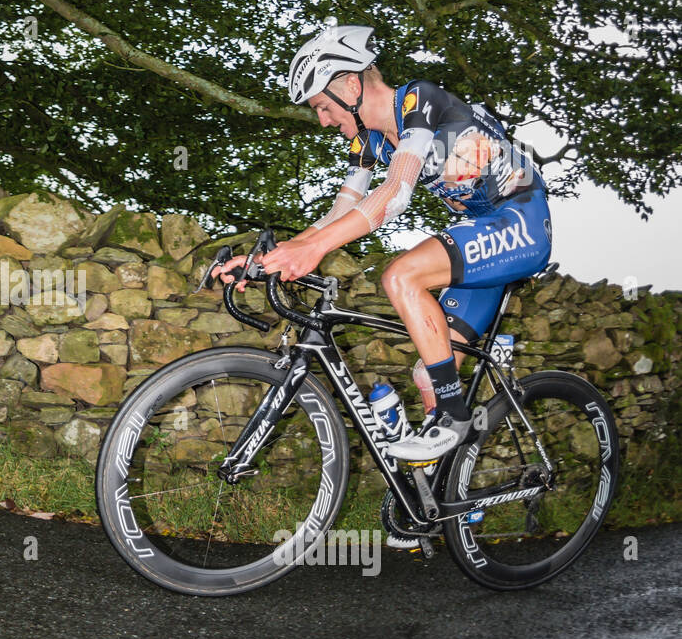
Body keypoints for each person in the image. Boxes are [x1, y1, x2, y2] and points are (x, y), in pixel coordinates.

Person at [214, 24, 551, 460]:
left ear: (352, 85)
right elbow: (339, 213)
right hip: (481, 239)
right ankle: (440, 505)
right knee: (430, 375)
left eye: (321, 106)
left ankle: (453, 418)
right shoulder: (371, 141)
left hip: (519, 221)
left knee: (402, 276)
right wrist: (270, 258)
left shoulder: (419, 101)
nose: (322, 119)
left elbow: (395, 193)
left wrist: (316, 250)